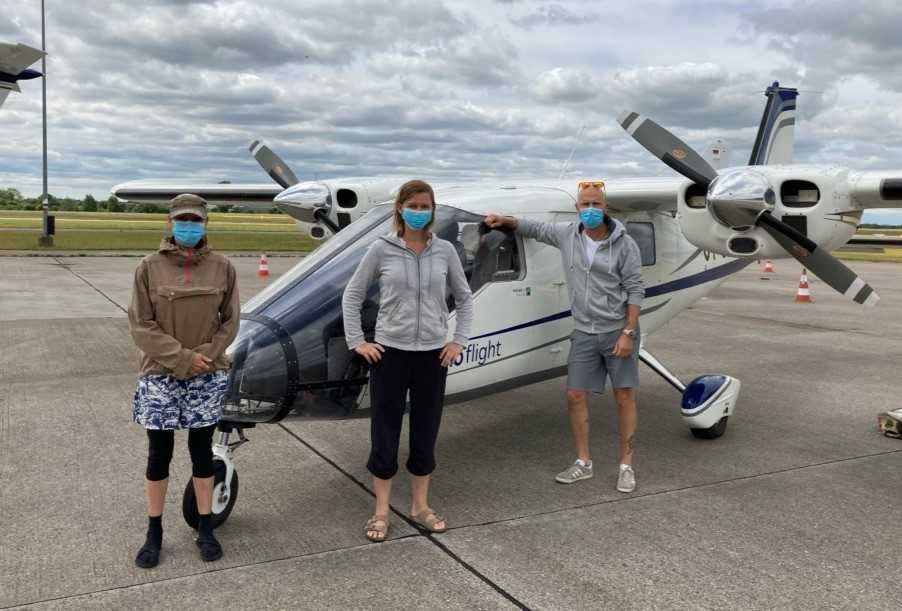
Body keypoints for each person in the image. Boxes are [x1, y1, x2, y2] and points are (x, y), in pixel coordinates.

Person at [484, 181, 644, 492]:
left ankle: (626, 466)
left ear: (606, 208)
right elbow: (535, 228)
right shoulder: (568, 234)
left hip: (616, 330)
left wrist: (628, 332)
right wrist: (505, 221)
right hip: (584, 331)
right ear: (577, 209)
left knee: (624, 397)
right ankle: (583, 462)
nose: (591, 210)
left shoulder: (624, 244)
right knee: (574, 396)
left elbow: (636, 289)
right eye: (585, 204)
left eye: (596, 204)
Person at [342, 179, 473, 542]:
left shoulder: (445, 251)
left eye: (425, 206)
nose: (419, 212)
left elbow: (464, 299)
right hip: (390, 354)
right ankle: (381, 510)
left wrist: (458, 340)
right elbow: (351, 297)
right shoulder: (380, 250)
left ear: (433, 210)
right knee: (385, 430)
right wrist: (358, 342)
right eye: (412, 205)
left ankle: (420, 506)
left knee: (425, 429)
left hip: (432, 355)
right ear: (399, 208)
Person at [127, 193, 239, 567]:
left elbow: (230, 320)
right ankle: (153, 531)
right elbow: (141, 325)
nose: (188, 227)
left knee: (201, 452)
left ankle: (205, 526)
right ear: (170, 223)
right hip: (161, 373)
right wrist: (183, 359)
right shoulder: (148, 267)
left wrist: (205, 356)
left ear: (205, 224)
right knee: (159, 454)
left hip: (207, 374)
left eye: (195, 220)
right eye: (181, 220)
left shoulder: (223, 267)